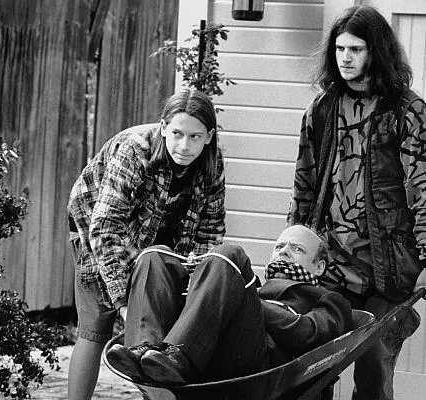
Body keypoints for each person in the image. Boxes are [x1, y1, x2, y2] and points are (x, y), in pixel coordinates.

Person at [287, 5, 426, 400]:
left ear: (376, 52)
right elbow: (304, 184)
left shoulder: (407, 112)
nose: (345, 58)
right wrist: (293, 245)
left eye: (356, 49)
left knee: (374, 370)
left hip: (388, 265)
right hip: (329, 261)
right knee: (312, 366)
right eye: (340, 49)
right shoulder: (321, 109)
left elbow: (422, 189)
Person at [66, 88, 226, 400]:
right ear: (164, 127)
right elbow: (106, 226)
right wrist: (124, 303)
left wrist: (193, 288)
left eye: (195, 137)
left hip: (158, 237)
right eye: (177, 133)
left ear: (209, 137)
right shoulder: (135, 149)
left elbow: (210, 230)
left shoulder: (213, 162)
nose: (184, 145)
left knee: (156, 329)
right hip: (95, 228)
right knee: (96, 325)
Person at [107, 224, 351, 396]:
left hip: (260, 368)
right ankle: (144, 352)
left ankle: (178, 356)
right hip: (212, 351)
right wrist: (199, 287)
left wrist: (238, 297)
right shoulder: (253, 286)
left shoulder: (328, 299)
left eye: (297, 249)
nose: (284, 251)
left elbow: (309, 333)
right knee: (155, 256)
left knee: (229, 255)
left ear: (319, 266)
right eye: (279, 246)